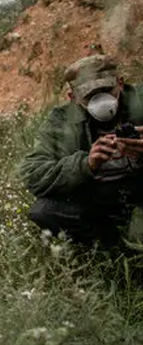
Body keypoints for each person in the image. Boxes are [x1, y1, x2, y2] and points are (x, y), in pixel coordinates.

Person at [18, 54, 143, 249]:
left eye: (106, 90)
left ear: (120, 83)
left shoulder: (140, 101)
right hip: (99, 198)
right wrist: (85, 164)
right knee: (44, 211)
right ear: (73, 97)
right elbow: (32, 172)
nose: (101, 100)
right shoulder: (61, 121)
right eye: (89, 96)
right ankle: (111, 251)